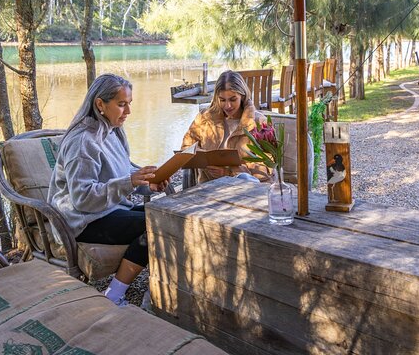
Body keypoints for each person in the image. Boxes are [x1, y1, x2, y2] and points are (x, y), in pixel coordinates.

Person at [48, 74, 168, 307]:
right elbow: (82, 198)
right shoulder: (83, 141)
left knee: (163, 215)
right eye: (121, 104)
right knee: (153, 224)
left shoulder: (113, 130)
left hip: (107, 209)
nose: (128, 112)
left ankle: (159, 287)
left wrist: (147, 183)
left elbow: (121, 172)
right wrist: (130, 182)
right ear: (100, 104)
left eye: (129, 103)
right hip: (82, 220)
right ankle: (113, 296)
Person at [181, 70, 271, 184]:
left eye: (233, 99)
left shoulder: (259, 122)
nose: (227, 106)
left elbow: (269, 166)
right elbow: (186, 148)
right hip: (208, 189)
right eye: (222, 100)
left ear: (242, 96)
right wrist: (203, 160)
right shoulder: (204, 118)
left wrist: (230, 172)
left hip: (248, 191)